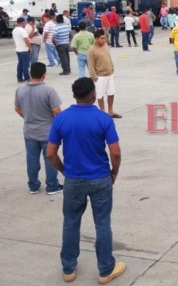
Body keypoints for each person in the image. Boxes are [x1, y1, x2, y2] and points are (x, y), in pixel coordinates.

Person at [46, 77, 126, 284]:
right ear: (93, 95)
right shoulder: (103, 118)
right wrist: (114, 172)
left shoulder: (61, 119)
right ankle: (105, 269)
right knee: (102, 223)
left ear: (74, 95)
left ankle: (69, 269)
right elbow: (115, 152)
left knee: (71, 222)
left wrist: (64, 170)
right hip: (99, 177)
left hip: (73, 179)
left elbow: (50, 153)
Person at [15, 62, 62, 194]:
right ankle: (52, 186)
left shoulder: (20, 89)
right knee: (50, 158)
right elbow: (57, 112)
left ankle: (33, 185)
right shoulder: (48, 90)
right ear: (44, 75)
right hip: (47, 132)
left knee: (31, 159)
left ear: (30, 73)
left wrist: (27, 118)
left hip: (29, 131)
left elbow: (17, 108)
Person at [88, 29, 121, 118]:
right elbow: (91, 65)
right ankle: (102, 112)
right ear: (96, 39)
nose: (104, 40)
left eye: (105, 38)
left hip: (109, 74)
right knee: (100, 95)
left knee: (111, 93)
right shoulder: (92, 50)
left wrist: (112, 67)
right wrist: (94, 77)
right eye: (102, 38)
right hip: (100, 77)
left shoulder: (105, 45)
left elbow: (108, 57)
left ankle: (110, 111)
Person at [13, 17, 31, 82]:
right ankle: (27, 78)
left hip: (18, 49)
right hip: (24, 50)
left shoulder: (14, 30)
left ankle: (19, 77)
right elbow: (26, 40)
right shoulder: (22, 30)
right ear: (22, 22)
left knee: (20, 64)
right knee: (25, 65)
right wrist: (30, 47)